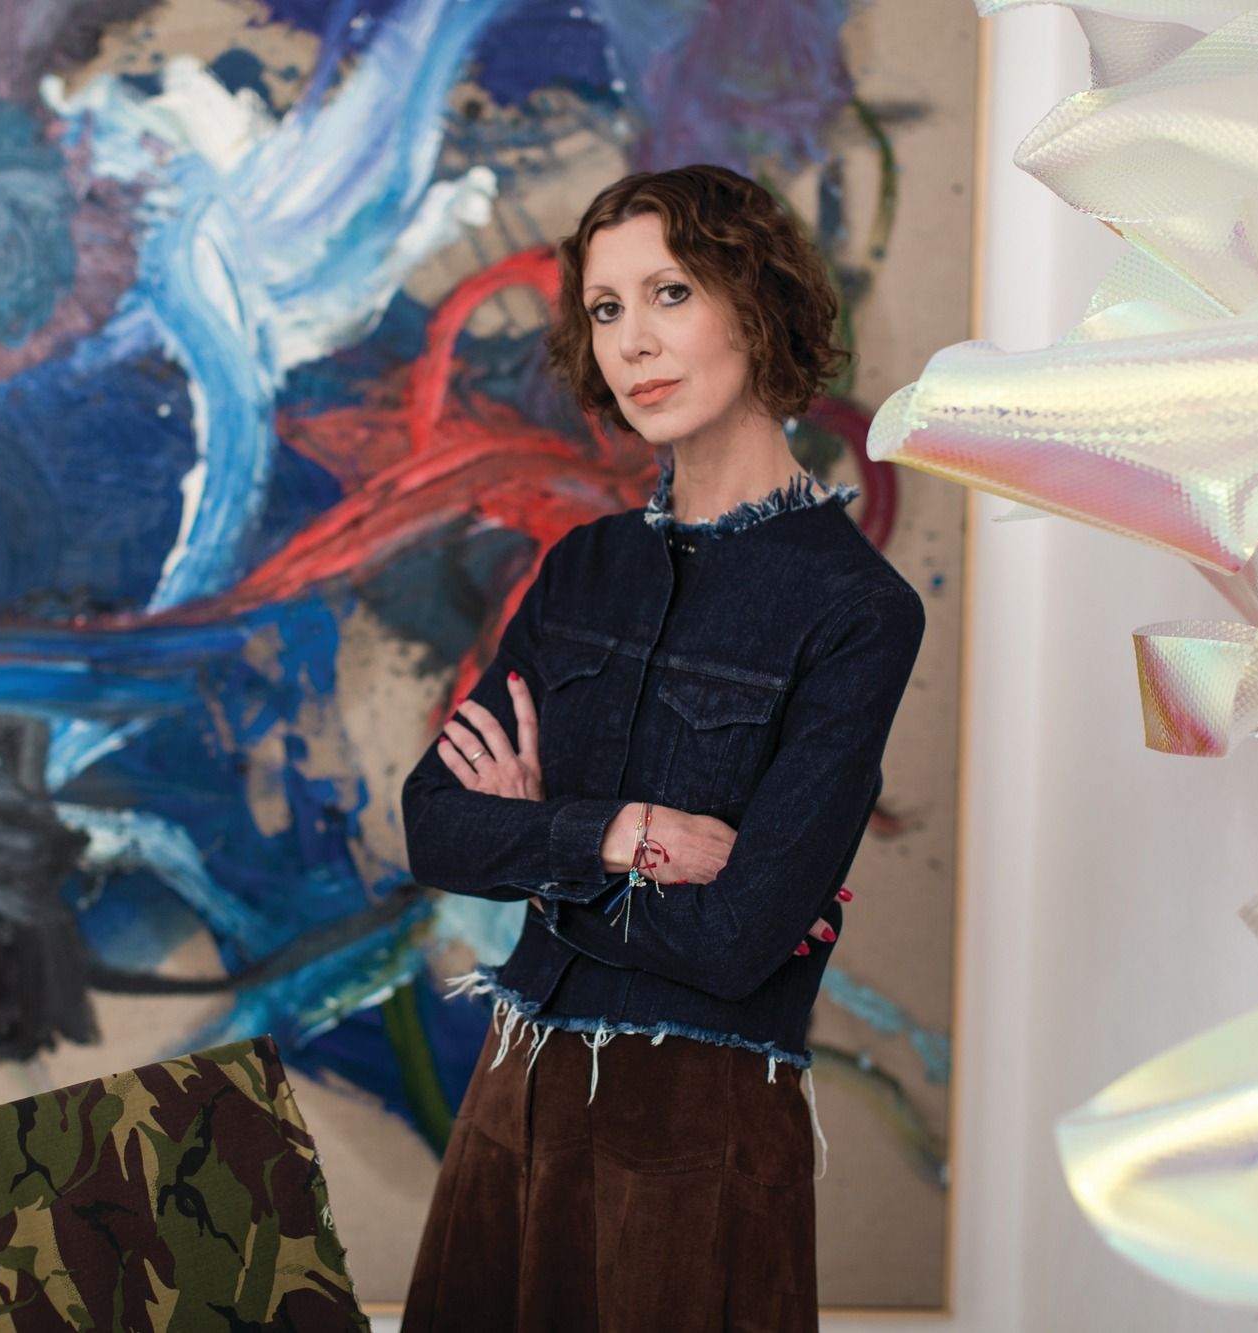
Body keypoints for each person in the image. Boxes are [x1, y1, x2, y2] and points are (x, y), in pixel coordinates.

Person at [396, 163, 925, 1331]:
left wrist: (535, 850)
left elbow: (737, 940)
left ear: (755, 302)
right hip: (507, 1101)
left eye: (669, 293)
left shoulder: (855, 611)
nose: (632, 339)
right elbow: (432, 824)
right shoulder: (582, 567)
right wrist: (619, 834)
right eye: (604, 308)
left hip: (692, 1128)